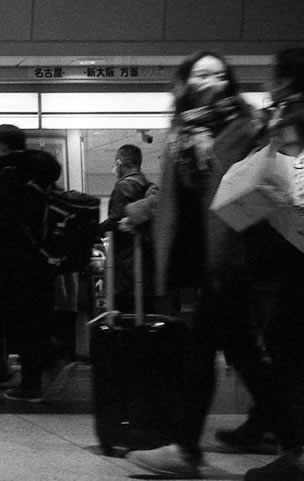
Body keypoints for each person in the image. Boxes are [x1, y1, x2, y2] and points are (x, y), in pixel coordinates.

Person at [124, 51, 286, 478]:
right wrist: (149, 213)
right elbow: (181, 196)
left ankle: (187, 448)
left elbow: (260, 183)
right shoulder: (182, 130)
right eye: (200, 72)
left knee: (202, 351)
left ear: (229, 81)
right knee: (243, 352)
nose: (210, 78)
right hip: (202, 255)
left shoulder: (248, 126)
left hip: (236, 254)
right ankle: (288, 437)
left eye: (218, 73)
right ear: (186, 81)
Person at [230, 48, 304, 481]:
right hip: (289, 243)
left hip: (293, 243)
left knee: (287, 342)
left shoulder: (290, 109)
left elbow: (282, 162)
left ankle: (295, 453)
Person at [0, 125, 63, 403]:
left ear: (0, 145)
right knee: (37, 315)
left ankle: (32, 381)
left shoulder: (6, 173)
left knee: (15, 318)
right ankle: (46, 361)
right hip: (44, 256)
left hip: (13, 258)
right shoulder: (45, 171)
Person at [98, 144, 155, 313]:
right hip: (145, 265)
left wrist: (93, 231)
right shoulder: (147, 185)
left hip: (126, 268)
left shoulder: (123, 186)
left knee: (125, 316)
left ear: (119, 162)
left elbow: (115, 222)